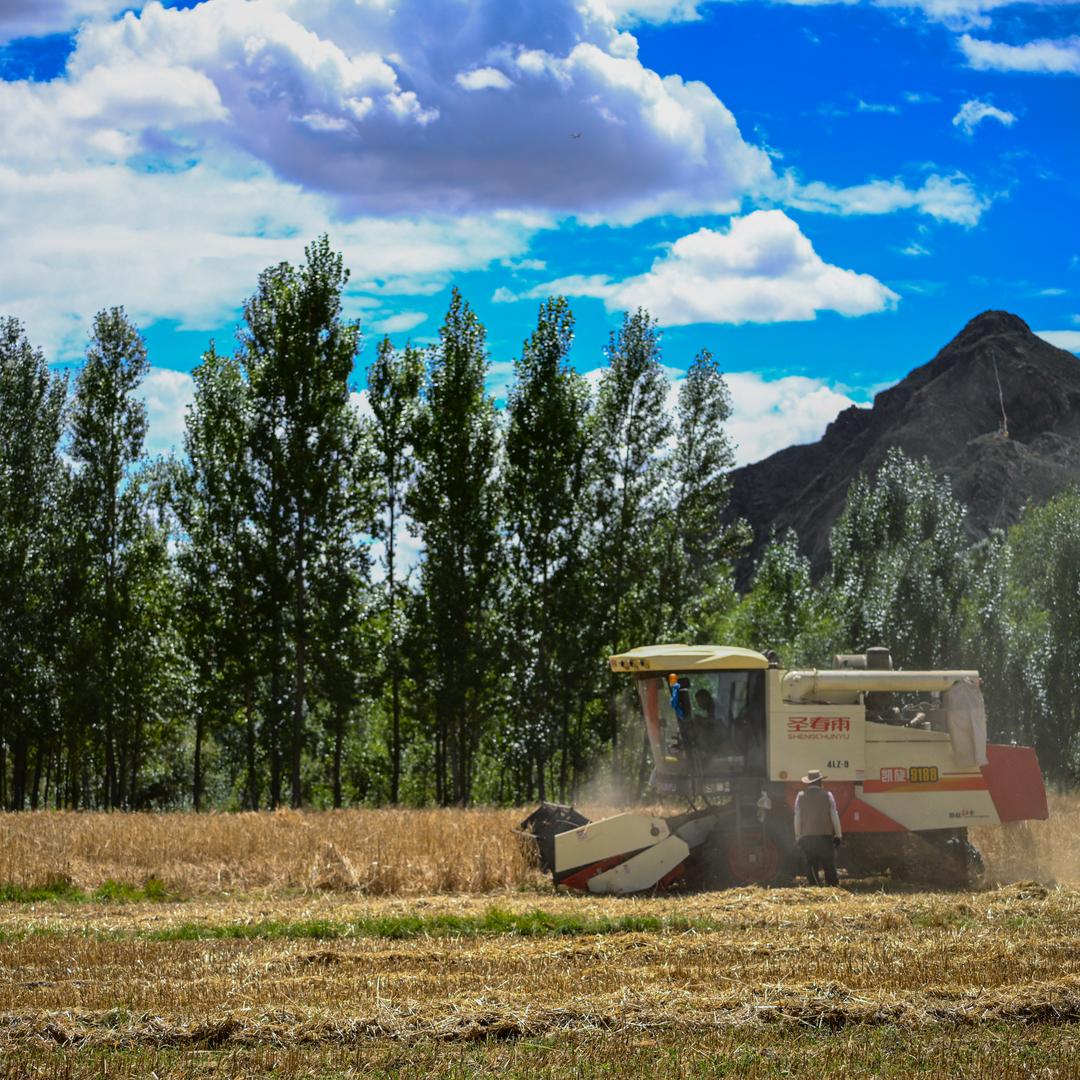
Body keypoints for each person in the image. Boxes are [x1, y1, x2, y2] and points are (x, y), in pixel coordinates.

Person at [793, 769, 842, 886]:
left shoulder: (800, 797)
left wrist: (798, 836)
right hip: (825, 836)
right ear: (820, 782)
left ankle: (814, 886)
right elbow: (834, 815)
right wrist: (838, 835)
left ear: (808, 783)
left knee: (811, 865)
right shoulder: (828, 796)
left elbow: (797, 818)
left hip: (807, 837)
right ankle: (832, 887)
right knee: (829, 865)